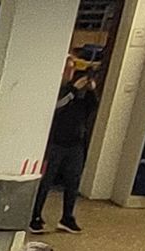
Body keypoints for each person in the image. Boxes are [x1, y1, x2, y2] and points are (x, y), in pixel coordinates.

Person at [32, 59, 100, 234]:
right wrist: (73, 89)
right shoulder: (60, 90)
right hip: (55, 143)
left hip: (75, 145)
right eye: (67, 69)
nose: (70, 73)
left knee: (73, 181)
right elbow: (56, 106)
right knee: (45, 181)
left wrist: (90, 91)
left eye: (72, 69)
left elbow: (92, 108)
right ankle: (35, 216)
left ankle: (67, 217)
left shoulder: (82, 97)